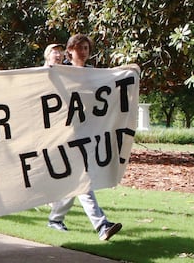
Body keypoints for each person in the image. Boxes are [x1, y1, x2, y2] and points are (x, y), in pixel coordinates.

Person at [44, 34, 123, 241]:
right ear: (70, 50)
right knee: (83, 180)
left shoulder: (93, 74)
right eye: (80, 48)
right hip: (65, 134)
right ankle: (101, 225)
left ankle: (55, 218)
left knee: (76, 181)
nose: (84, 51)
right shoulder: (62, 72)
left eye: (87, 48)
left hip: (87, 134)